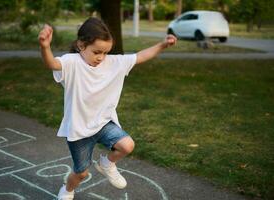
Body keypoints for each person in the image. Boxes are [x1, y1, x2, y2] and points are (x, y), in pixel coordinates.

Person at [38, 17, 177, 200]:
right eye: (97, 52)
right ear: (81, 45)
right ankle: (68, 190)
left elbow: (141, 56)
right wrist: (45, 47)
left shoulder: (114, 63)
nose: (101, 57)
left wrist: (162, 45)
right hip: (79, 130)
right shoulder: (71, 63)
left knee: (127, 145)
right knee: (81, 173)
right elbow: (52, 64)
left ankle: (107, 164)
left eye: (105, 52)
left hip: (103, 123)